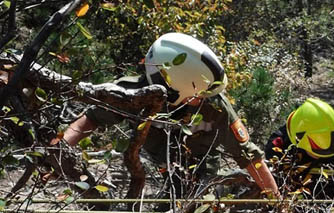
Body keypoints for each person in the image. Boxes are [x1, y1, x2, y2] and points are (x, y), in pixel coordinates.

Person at [61, 32, 280, 200]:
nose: (203, 99)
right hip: (153, 169)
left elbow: (251, 157)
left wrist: (278, 203)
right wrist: (56, 153)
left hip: (201, 176)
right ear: (174, 87)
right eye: (198, 94)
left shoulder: (216, 106)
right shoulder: (131, 94)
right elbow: (91, 119)